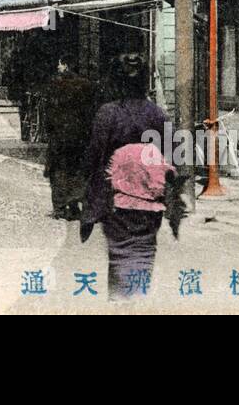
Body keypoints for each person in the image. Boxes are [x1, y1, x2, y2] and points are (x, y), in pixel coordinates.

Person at [79, 52, 183, 301]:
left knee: (120, 255)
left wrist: (88, 195)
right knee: (144, 252)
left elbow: (94, 158)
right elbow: (174, 155)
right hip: (150, 199)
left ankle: (120, 302)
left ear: (115, 81)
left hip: (116, 199)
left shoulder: (107, 113)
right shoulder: (157, 114)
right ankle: (137, 298)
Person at [42, 55, 96, 220]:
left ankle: (59, 208)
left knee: (58, 170)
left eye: (59, 64)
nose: (58, 67)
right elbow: (91, 111)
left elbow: (49, 111)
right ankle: (74, 207)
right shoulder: (86, 85)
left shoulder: (56, 84)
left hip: (60, 135)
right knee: (76, 170)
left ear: (65, 65)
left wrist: (49, 130)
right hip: (80, 136)